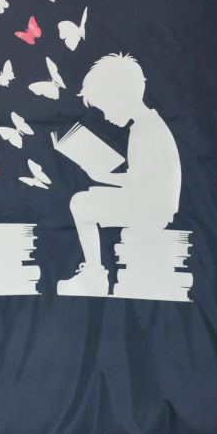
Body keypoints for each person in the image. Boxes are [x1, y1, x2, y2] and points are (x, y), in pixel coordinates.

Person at [57, 54, 181, 297]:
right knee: (86, 199)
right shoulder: (148, 125)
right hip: (153, 202)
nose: (106, 116)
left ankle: (94, 274)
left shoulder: (146, 131)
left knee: (80, 203)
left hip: (152, 208)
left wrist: (101, 175)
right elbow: (142, 179)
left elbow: (137, 183)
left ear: (121, 97)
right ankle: (94, 273)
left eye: (106, 108)